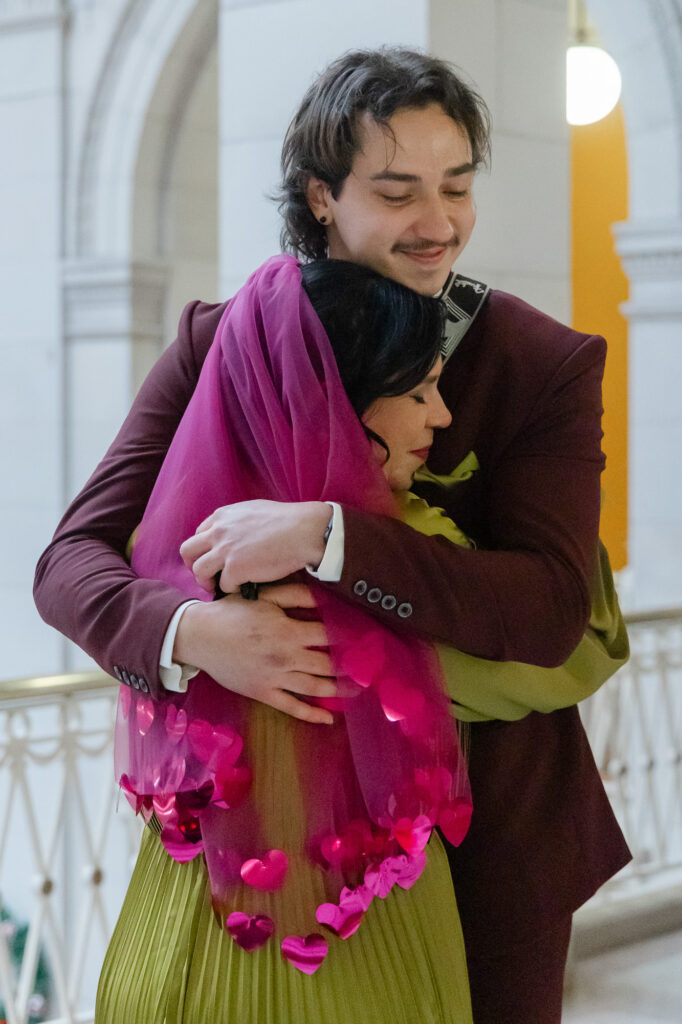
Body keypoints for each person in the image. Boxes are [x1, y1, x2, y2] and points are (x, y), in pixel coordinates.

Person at [34, 48, 631, 1024]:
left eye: (456, 185)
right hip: (263, 841)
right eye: (397, 190)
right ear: (320, 196)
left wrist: (332, 537)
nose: (437, 223)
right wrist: (193, 637)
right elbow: (69, 562)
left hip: (494, 834)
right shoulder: (220, 340)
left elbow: (550, 608)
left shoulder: (538, 365)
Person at [98, 256, 475, 1024]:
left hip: (193, 928)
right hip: (320, 957)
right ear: (336, 407)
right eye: (417, 391)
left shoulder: (248, 555)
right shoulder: (287, 603)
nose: (441, 416)